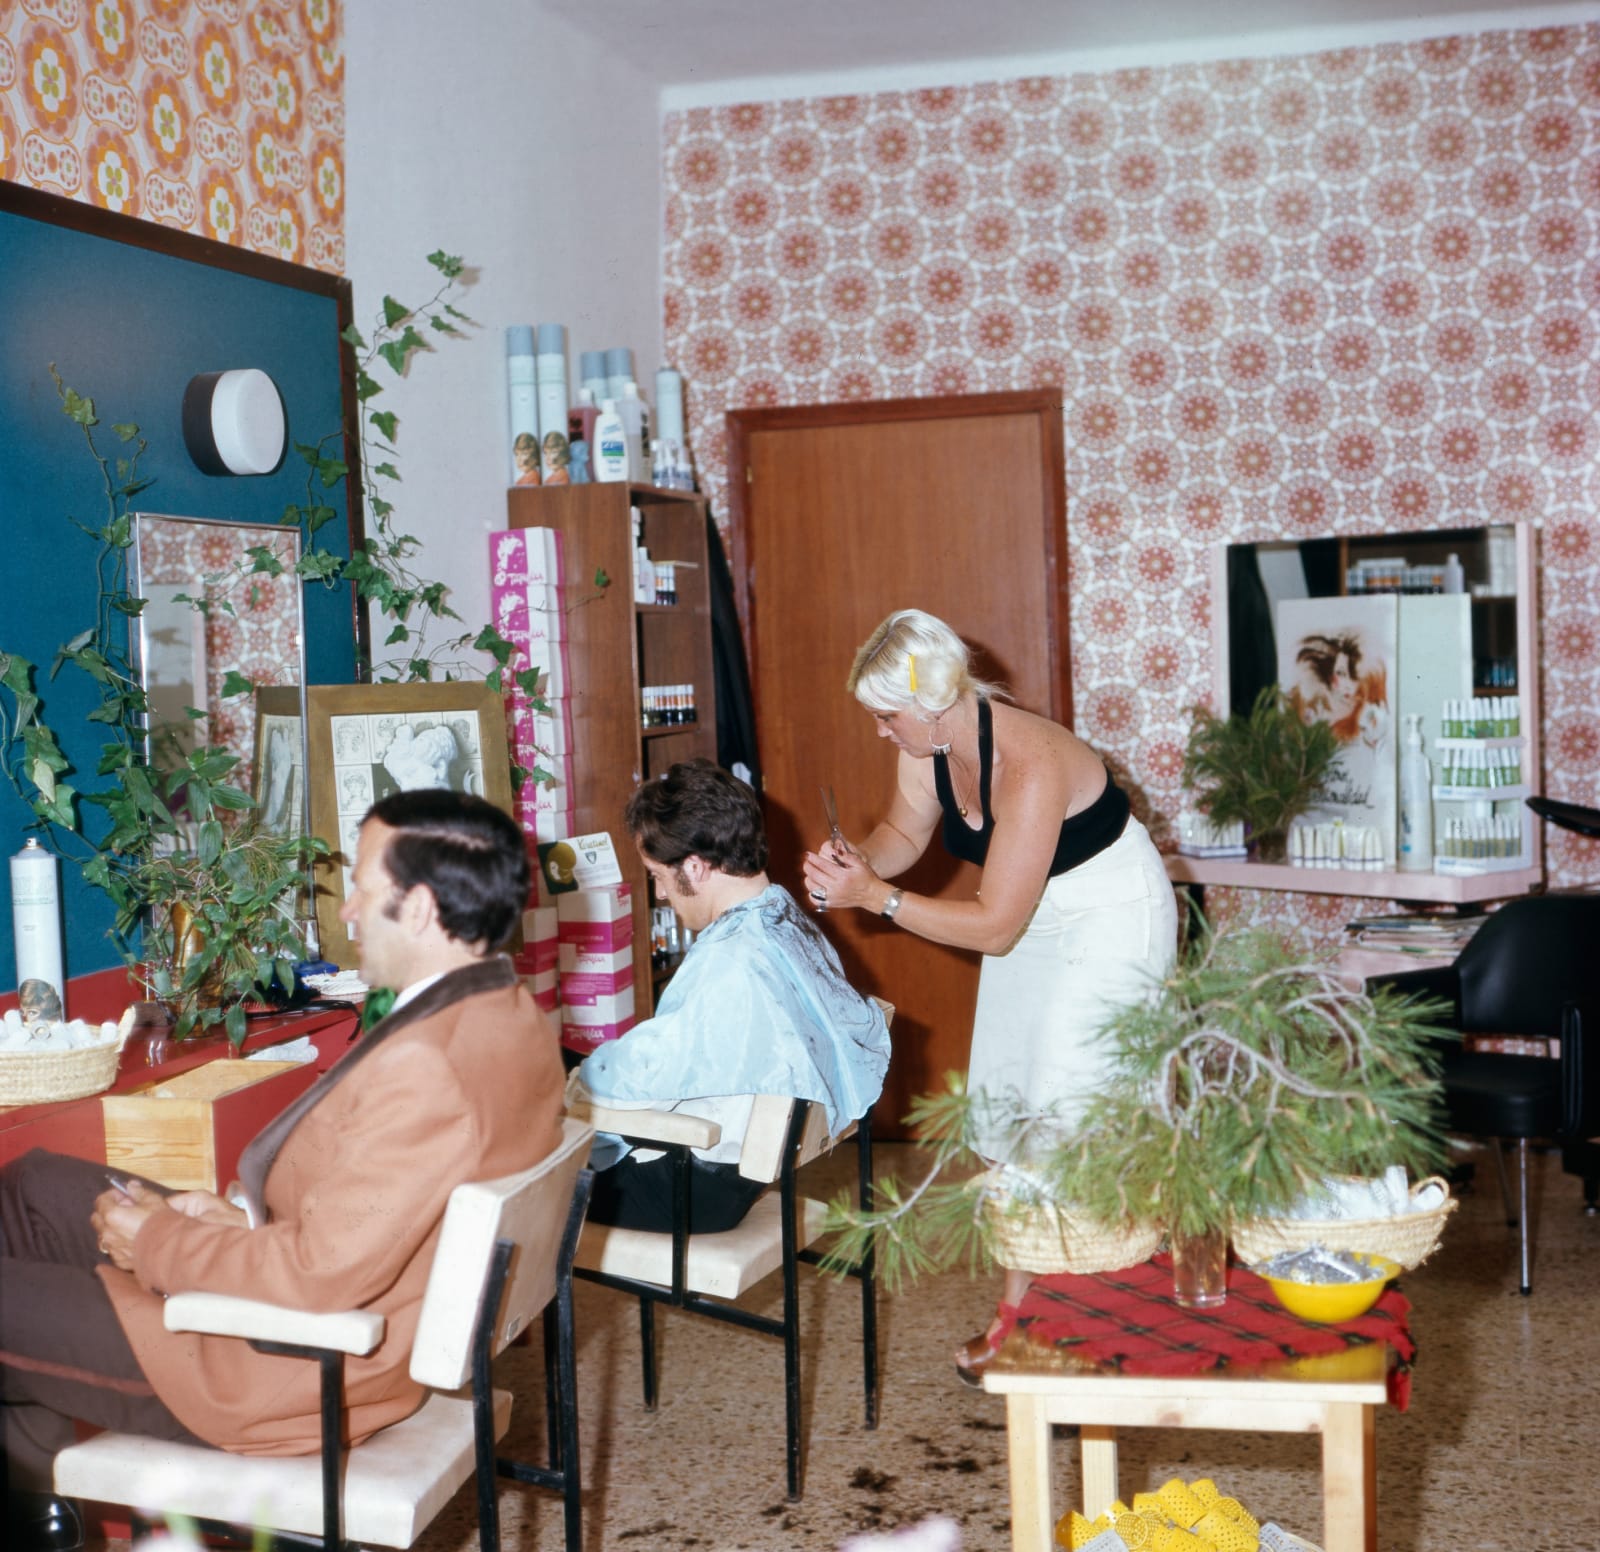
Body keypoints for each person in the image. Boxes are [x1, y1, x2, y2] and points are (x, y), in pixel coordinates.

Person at [1, 789, 566, 1552]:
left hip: (285, 1370)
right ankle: (43, 1494)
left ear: (424, 909)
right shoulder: (509, 1013)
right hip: (335, 1318)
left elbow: (316, 1277)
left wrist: (161, 1242)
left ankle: (38, 1498)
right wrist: (240, 1221)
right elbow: (379, 1215)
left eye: (365, 887)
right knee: (34, 1185)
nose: (351, 911)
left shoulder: (431, 1067)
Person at [801, 609, 1177, 1384]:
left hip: (1108, 916)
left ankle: (1105, 1325)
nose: (879, 731)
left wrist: (877, 900)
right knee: (1010, 1108)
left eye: (885, 714)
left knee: (1079, 1118)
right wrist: (855, 865)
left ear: (935, 701)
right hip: (1030, 915)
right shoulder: (929, 742)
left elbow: (995, 927)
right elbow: (903, 837)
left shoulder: (1032, 760)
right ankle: (1022, 1323)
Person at [571, 759, 891, 1234]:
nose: (661, 895)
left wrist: (576, 1079)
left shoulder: (731, 960)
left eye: (658, 876)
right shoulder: (787, 918)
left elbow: (643, 1073)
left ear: (695, 868)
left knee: (522, 1171)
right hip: (737, 1172)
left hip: (688, 1189)